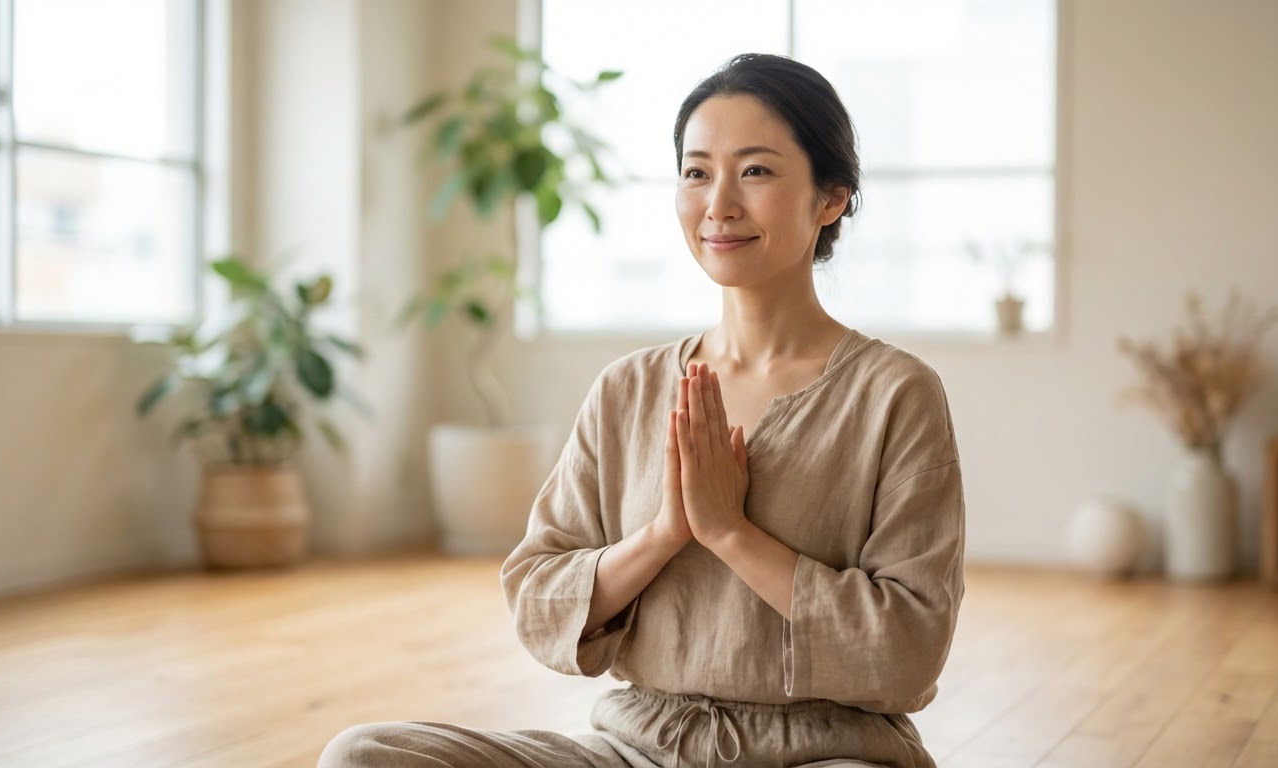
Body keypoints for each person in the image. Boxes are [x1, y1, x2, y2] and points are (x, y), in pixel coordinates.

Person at [320, 52, 965, 768]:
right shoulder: (626, 387)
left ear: (831, 198)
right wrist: (664, 533)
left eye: (755, 170)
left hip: (823, 752)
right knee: (364, 754)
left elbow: (910, 650)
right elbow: (538, 596)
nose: (719, 204)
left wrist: (729, 532)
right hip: (636, 747)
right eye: (696, 172)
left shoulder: (895, 394)